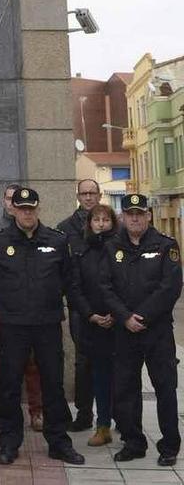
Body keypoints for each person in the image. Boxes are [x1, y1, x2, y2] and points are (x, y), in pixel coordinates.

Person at [0, 187, 84, 466]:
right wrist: (12, 304)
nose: (27, 213)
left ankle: (59, 442)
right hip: (13, 325)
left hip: (47, 324)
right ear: (12, 209)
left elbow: (68, 280)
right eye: (22, 208)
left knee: (53, 384)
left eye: (32, 208)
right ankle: (9, 442)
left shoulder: (57, 241)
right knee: (9, 385)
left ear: (38, 209)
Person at [100, 194, 181, 466]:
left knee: (165, 388)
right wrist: (124, 318)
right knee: (125, 389)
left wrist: (143, 316)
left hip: (157, 331)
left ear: (148, 215)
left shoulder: (166, 246)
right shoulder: (112, 247)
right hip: (125, 332)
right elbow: (105, 287)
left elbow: (170, 287)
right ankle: (134, 442)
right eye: (130, 213)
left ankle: (169, 446)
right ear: (122, 217)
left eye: (140, 213)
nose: (134, 218)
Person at [0, 183, 44, 432]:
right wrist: (7, 302)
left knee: (34, 363)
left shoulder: (39, 231)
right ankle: (5, 413)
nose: (12, 204)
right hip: (2, 311)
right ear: (4, 202)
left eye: (16, 199)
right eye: (9, 199)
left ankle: (37, 411)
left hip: (36, 313)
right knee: (5, 364)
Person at [67, 204, 117, 447]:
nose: (100, 223)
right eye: (96, 219)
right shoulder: (81, 252)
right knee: (99, 376)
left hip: (119, 324)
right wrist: (92, 315)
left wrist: (117, 315)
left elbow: (128, 287)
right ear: (89, 224)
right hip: (93, 324)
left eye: (105, 219)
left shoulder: (121, 250)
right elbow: (74, 288)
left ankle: (128, 426)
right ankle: (102, 425)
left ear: (112, 223)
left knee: (124, 377)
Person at [57, 179, 102, 432]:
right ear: (78, 196)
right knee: (83, 361)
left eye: (92, 193)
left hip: (110, 308)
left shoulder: (112, 227)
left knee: (114, 360)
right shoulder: (65, 228)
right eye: (84, 193)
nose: (88, 197)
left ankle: (116, 414)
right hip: (78, 307)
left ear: (99, 195)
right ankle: (84, 414)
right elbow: (61, 270)